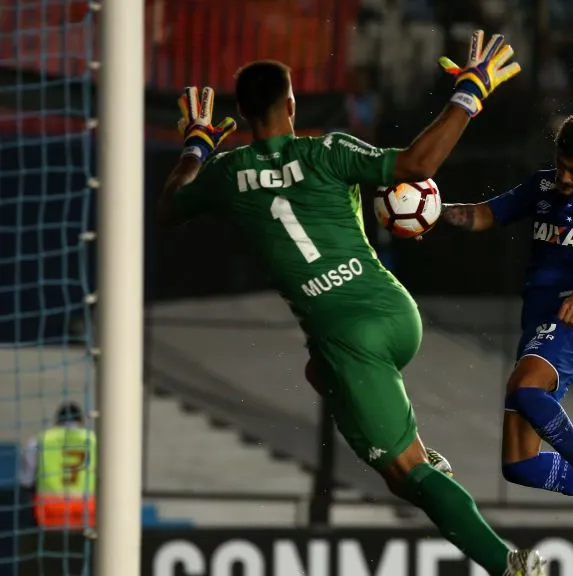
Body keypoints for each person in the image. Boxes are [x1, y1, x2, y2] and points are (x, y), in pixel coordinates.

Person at [157, 32, 546, 576]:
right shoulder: (330, 151)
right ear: (291, 106)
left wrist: (198, 144)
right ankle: (425, 462)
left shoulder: (225, 176)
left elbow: (171, 207)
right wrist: (469, 93)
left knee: (405, 473)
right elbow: (416, 165)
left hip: (350, 336)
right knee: (321, 373)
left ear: (242, 115)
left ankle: (511, 566)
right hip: (394, 310)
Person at [438, 114, 573, 551]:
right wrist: (432, 213)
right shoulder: (541, 186)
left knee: (524, 391)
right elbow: (485, 214)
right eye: (560, 165)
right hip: (538, 323)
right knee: (519, 465)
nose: (564, 177)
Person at [19, 402, 97, 529]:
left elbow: (26, 481)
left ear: (57, 421)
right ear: (81, 421)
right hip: (87, 511)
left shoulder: (39, 441)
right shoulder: (94, 440)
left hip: (49, 511)